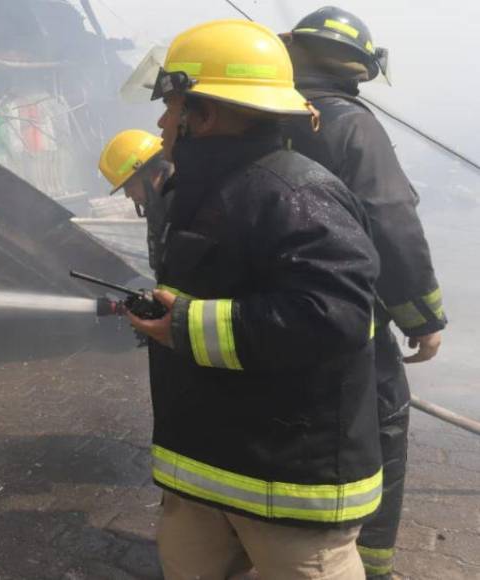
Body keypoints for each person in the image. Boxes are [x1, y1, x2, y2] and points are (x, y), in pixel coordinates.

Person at [129, 19, 383, 579]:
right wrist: (163, 314)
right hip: (203, 471)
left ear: (205, 114)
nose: (161, 120)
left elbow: (332, 316)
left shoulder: (297, 193)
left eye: (172, 104)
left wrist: (187, 325)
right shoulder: (197, 191)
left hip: (288, 489)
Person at [281, 8, 448, 578]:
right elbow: (390, 216)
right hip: (349, 319)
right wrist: (422, 315)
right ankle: (370, 565)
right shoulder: (350, 123)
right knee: (382, 428)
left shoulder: (255, 116)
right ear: (360, 67)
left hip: (271, 316)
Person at [98, 129, 173, 270]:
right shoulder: (160, 206)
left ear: (154, 173)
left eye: (130, 185)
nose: (127, 194)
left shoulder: (184, 205)